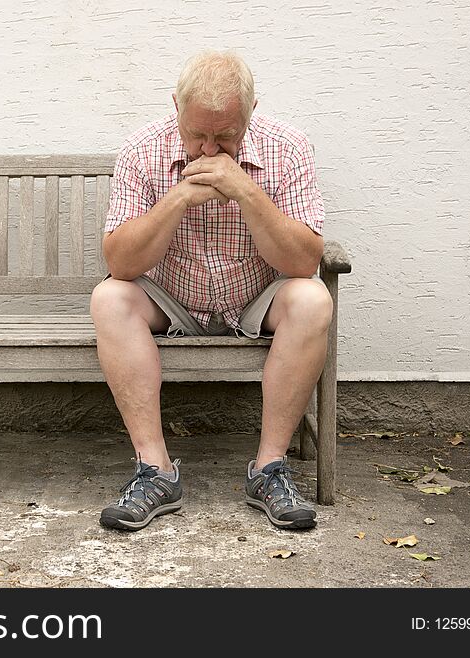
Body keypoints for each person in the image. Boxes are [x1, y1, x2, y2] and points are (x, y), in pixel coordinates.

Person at [91, 50, 331, 532]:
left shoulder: (288, 147)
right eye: (195, 133)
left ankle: (269, 469)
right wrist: (178, 197)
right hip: (174, 299)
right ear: (175, 105)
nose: (208, 148)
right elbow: (120, 262)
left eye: (225, 135)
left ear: (251, 112)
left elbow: (304, 261)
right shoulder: (142, 148)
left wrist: (246, 191)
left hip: (256, 298)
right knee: (109, 298)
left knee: (313, 298)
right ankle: (155, 471)